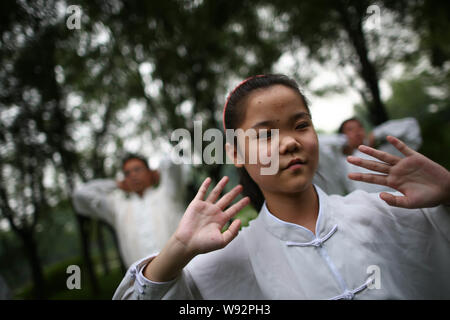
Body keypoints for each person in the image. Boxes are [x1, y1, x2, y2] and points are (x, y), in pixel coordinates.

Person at [113, 75, 450, 300]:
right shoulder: (229, 259)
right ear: (235, 152)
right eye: (265, 134)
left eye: (300, 125)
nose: (289, 142)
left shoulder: (386, 212)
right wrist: (178, 248)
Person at [72, 153, 188, 268]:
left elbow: (172, 162)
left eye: (137, 169)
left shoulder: (168, 194)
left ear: (149, 172)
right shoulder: (118, 207)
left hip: (182, 271)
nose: (133, 175)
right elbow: (80, 194)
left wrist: (158, 173)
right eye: (127, 173)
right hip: (143, 283)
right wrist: (116, 184)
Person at [314, 117, 422, 195]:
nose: (357, 132)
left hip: (401, 205)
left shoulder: (385, 153)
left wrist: (376, 133)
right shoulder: (340, 163)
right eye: (350, 129)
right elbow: (316, 144)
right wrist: (342, 140)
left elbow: (411, 127)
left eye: (360, 127)